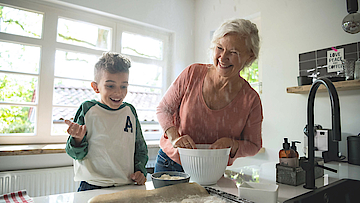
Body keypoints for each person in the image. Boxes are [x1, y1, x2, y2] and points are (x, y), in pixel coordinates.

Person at [154, 18, 263, 173]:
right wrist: (174, 137)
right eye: (220, 48)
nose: (223, 58)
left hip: (212, 169)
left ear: (250, 57)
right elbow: (163, 109)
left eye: (233, 52)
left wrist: (233, 144)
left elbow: (254, 145)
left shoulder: (251, 100)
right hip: (171, 164)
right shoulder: (192, 74)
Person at [65, 52, 148, 191]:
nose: (118, 93)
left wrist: (140, 171)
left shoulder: (130, 112)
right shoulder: (87, 109)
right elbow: (74, 153)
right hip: (92, 186)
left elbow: (140, 148)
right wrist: (78, 140)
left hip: (125, 185)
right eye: (110, 86)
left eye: (123, 86)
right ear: (96, 87)